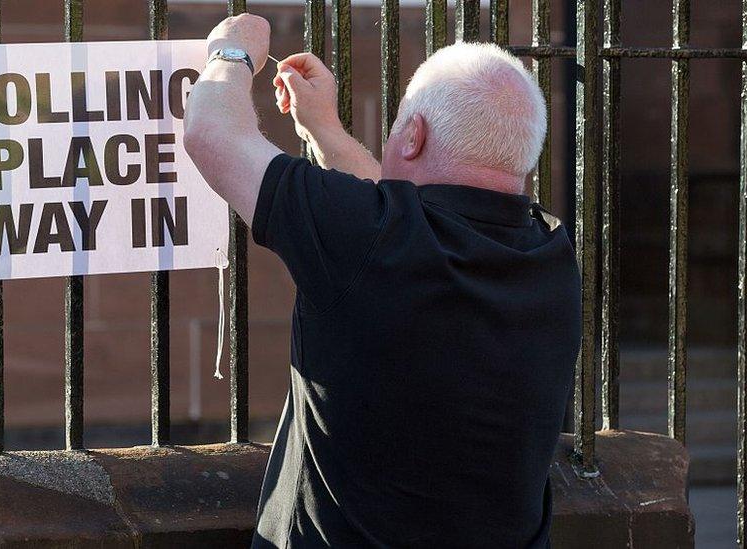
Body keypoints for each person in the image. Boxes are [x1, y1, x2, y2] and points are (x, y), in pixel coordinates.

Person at [184, 14, 581, 549]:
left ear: (412, 135)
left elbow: (211, 133)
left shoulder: (375, 240)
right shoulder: (550, 257)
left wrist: (233, 51)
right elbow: (400, 225)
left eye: (398, 125)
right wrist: (323, 129)